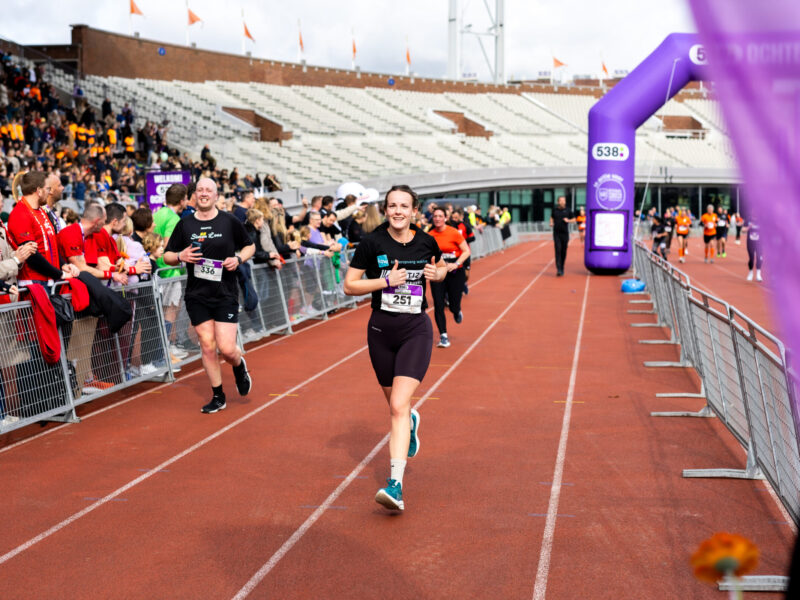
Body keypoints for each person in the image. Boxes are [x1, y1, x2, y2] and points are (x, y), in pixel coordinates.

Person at [343, 184, 446, 512]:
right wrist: (386, 281)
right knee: (396, 406)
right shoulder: (372, 242)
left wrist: (438, 273)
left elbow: (441, 266)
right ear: (386, 210)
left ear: (415, 211)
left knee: (398, 405)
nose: (398, 211)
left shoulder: (426, 241)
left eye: (404, 206)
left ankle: (395, 485)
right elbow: (349, 285)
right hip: (380, 332)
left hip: (415, 330)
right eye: (392, 205)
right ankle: (411, 421)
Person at [163, 177, 256, 414]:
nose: (204, 193)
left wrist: (238, 259)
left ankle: (238, 364)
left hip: (225, 292)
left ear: (216, 196)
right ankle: (218, 396)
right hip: (197, 294)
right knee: (206, 345)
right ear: (194, 196)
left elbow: (250, 246)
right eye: (200, 190)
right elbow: (167, 255)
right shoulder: (185, 224)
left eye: (209, 190)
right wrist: (181, 256)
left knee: (227, 348)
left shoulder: (229, 221)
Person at [428, 207, 471, 348]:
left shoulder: (453, 232)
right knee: (438, 304)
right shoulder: (429, 235)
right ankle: (443, 336)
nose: (437, 218)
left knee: (453, 304)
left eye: (440, 216)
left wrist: (456, 263)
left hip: (455, 272)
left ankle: (456, 311)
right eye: (435, 216)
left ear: (446, 218)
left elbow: (466, 251)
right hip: (437, 273)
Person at [550, 196, 575, 276]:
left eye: (564, 200)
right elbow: (552, 217)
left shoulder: (568, 210)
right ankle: (559, 269)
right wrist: (551, 222)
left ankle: (562, 266)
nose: (562, 202)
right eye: (561, 200)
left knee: (563, 251)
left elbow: (574, 219)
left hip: (565, 233)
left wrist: (568, 220)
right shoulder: (555, 210)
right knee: (558, 250)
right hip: (556, 233)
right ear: (558, 202)